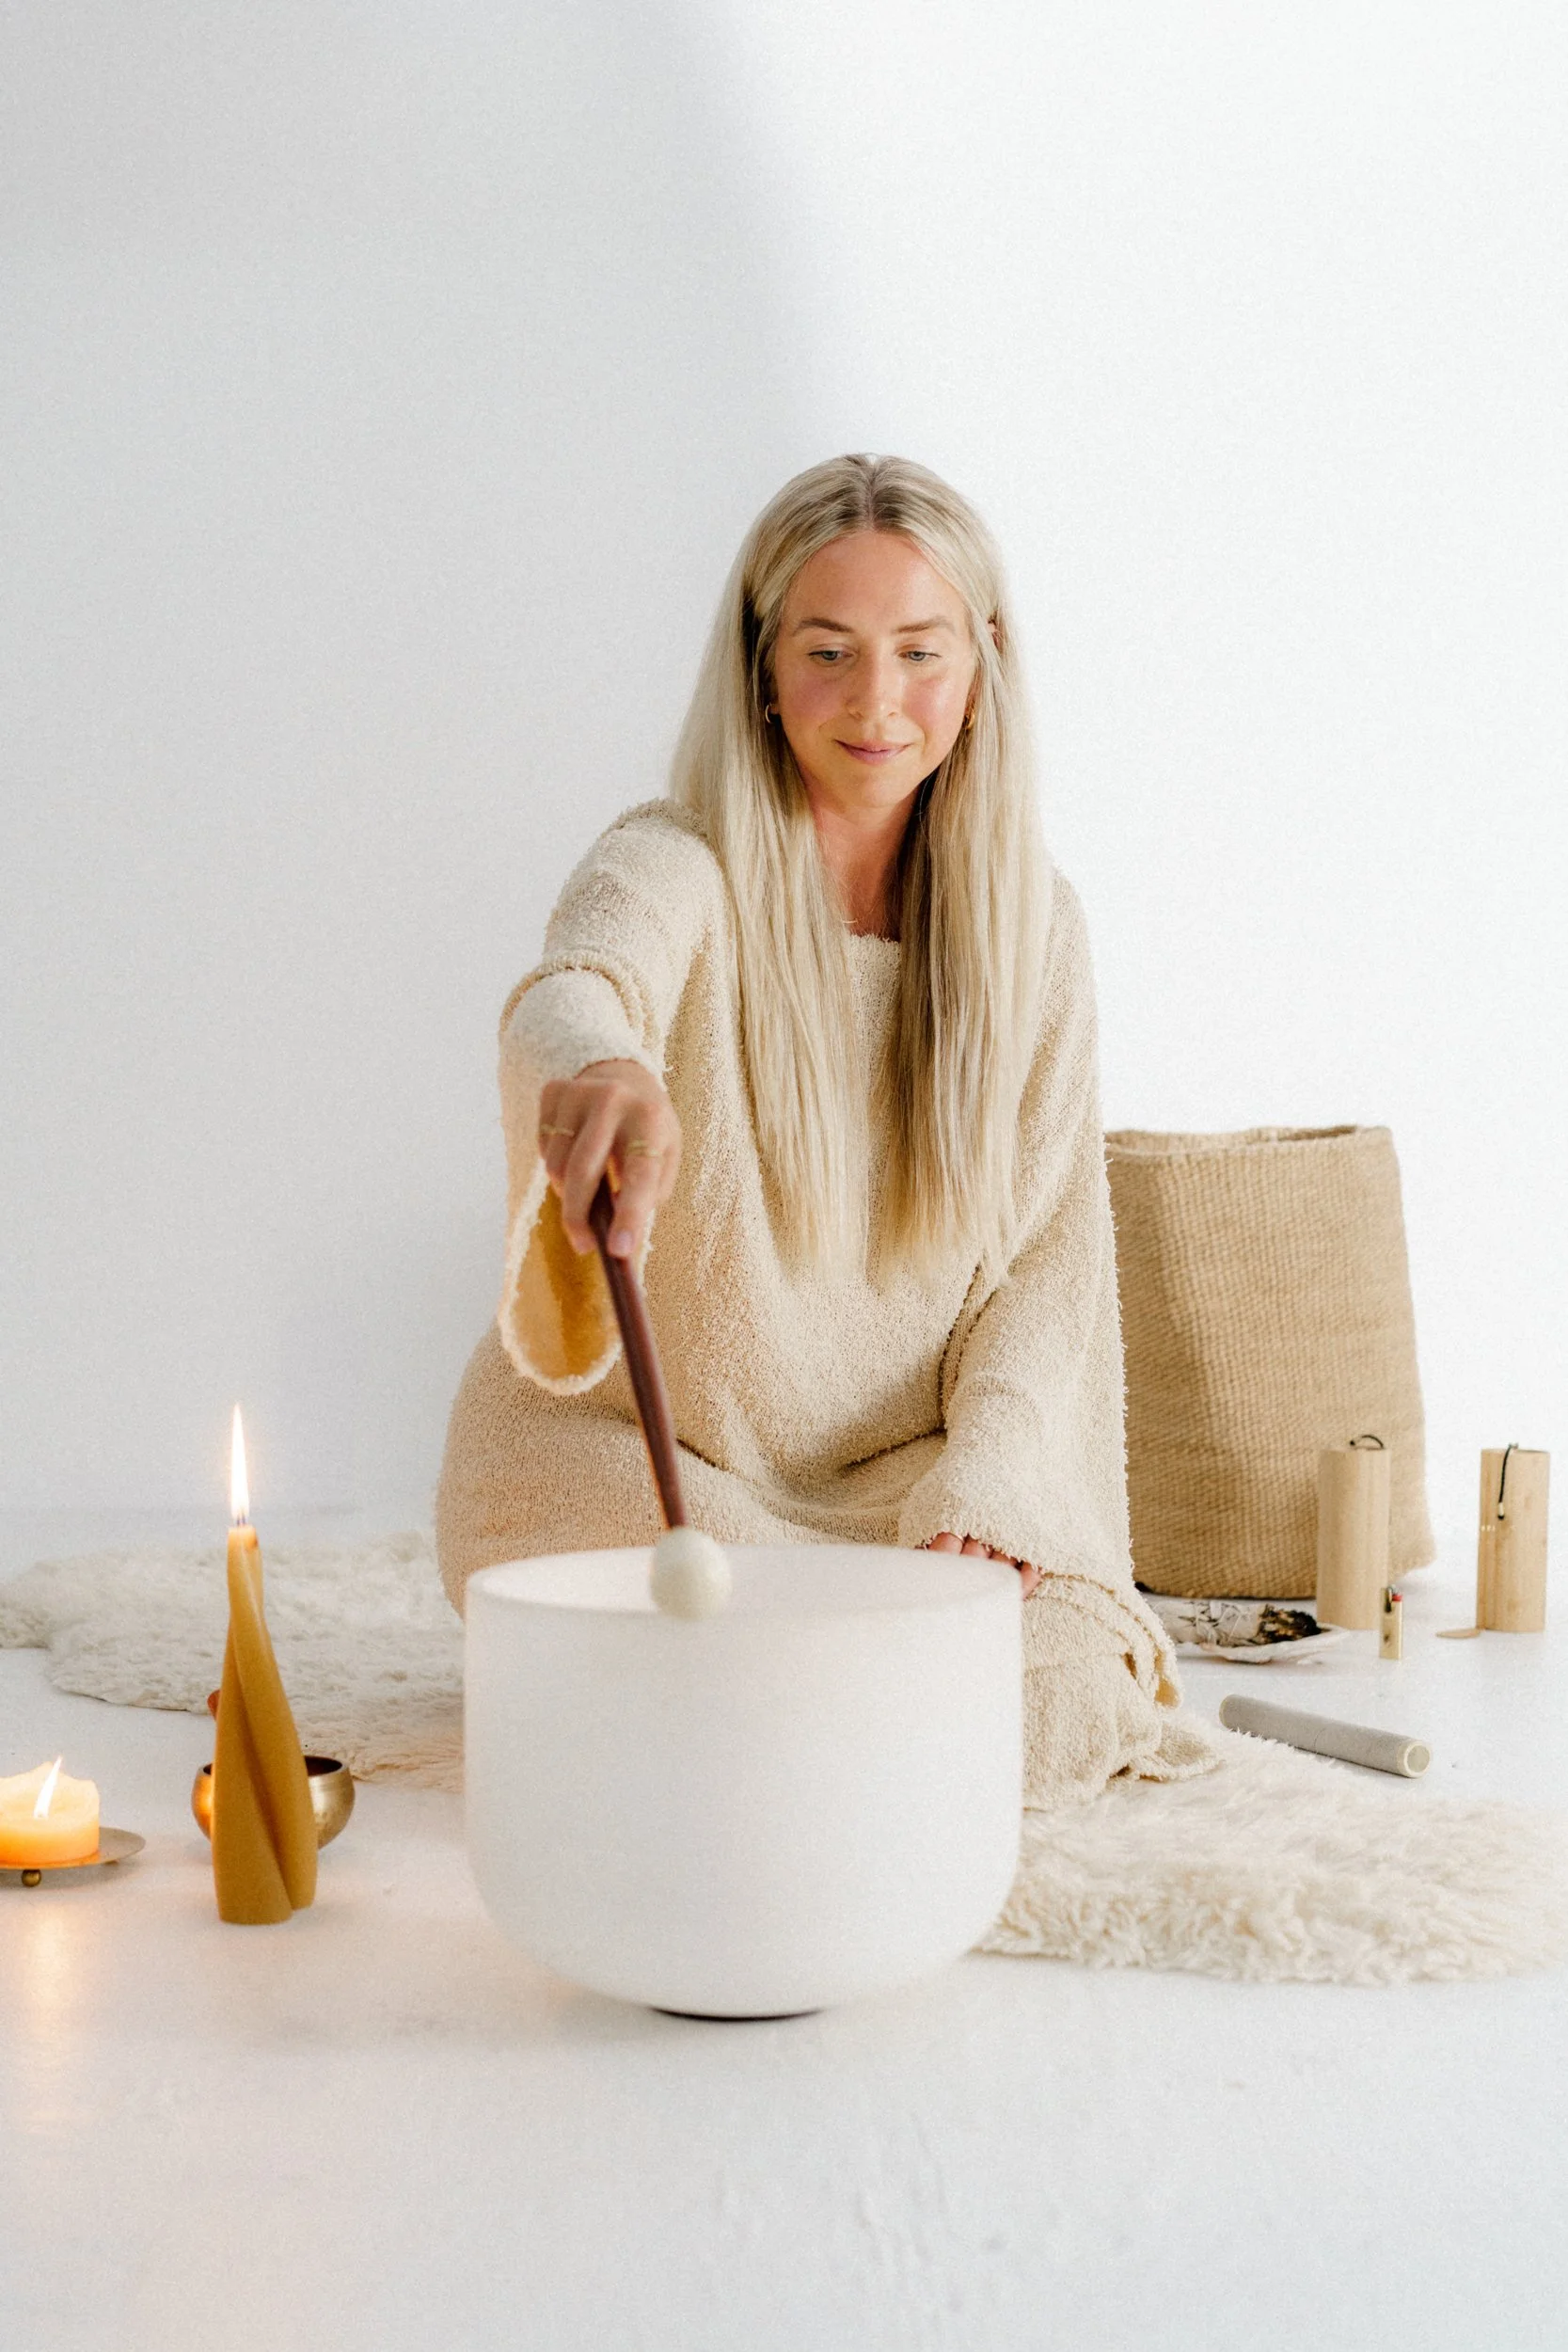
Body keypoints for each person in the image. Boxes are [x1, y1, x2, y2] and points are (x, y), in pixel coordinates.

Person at [436, 453, 1211, 1804]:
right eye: (828, 651)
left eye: (920, 653)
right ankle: (811, 1699)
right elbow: (580, 984)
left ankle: (793, 1702)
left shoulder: (1036, 932)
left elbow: (1045, 1264)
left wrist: (987, 1497)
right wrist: (602, 1069)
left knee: (1069, 1692)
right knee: (751, 1633)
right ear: (759, 668)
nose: (876, 703)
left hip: (888, 1490)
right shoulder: (672, 858)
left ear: (982, 666)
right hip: (639, 1463)